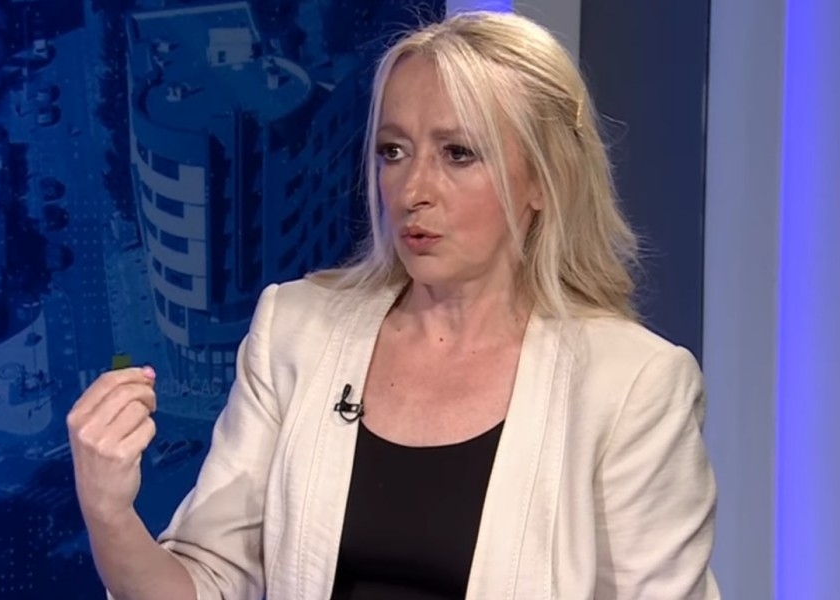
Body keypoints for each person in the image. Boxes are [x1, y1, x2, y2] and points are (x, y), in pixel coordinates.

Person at [67, 10, 721, 600]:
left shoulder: (631, 386)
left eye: (458, 154)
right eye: (393, 152)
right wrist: (109, 513)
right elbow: (207, 584)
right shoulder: (295, 332)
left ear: (544, 181)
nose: (412, 190)